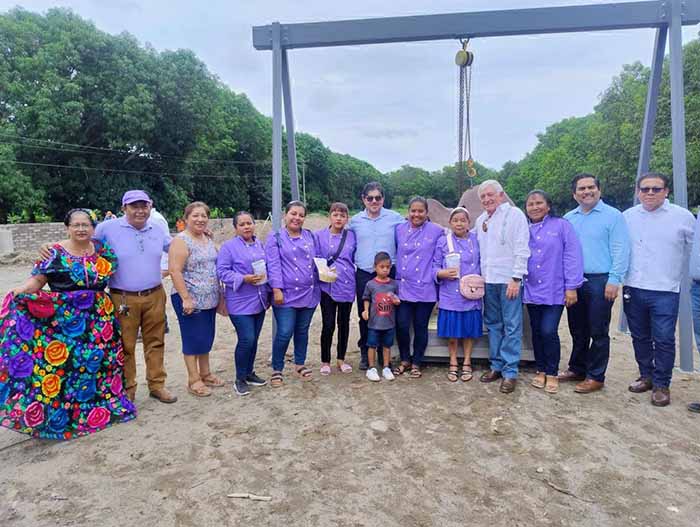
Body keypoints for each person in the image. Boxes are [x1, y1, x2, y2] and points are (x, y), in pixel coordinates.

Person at [0, 209, 136, 439]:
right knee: (69, 365)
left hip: (101, 319)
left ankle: (99, 410)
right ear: (67, 228)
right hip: (65, 321)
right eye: (76, 225)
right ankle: (67, 416)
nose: (81, 229)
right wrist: (20, 291)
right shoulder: (53, 252)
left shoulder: (103, 249)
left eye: (86, 225)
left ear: (93, 228)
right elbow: (37, 281)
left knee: (100, 363)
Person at [94, 190, 177, 403]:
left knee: (156, 341)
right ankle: (128, 388)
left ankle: (157, 385)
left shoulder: (157, 228)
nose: (140, 211)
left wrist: (200, 235)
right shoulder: (106, 229)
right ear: (124, 208)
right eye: (134, 206)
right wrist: (53, 247)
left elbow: (176, 247)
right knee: (126, 344)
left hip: (155, 294)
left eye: (144, 206)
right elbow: (84, 245)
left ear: (150, 206)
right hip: (123, 298)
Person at [622, 173, 694, 407]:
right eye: (645, 189)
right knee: (639, 336)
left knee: (663, 338)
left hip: (666, 289)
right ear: (638, 192)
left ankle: (662, 384)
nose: (650, 193)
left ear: (666, 191)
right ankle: (646, 376)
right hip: (633, 286)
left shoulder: (682, 217)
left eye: (656, 189)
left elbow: (694, 250)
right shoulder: (628, 216)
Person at [560, 174, 630, 394]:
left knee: (598, 330)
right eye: (581, 189)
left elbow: (620, 249)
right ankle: (577, 368)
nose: (586, 192)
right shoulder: (569, 218)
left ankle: (596, 376)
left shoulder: (613, 216)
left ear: (599, 190)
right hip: (574, 280)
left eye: (591, 187)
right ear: (574, 194)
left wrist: (614, 279)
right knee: (577, 328)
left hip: (601, 280)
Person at [523, 190, 584, 395]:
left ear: (548, 206)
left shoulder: (562, 226)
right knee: (536, 331)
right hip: (531, 289)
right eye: (531, 204)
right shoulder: (524, 229)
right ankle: (540, 369)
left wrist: (572, 286)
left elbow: (572, 256)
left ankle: (552, 372)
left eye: (539, 203)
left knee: (549, 330)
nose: (535, 207)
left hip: (554, 289)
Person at [475, 180, 530, 394]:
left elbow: (522, 247)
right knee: (493, 324)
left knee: (512, 325)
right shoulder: (481, 220)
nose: (487, 199)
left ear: (501, 195)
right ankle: (496, 365)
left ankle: (510, 371)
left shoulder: (514, 215)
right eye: (483, 197)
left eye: (491, 195)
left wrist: (516, 278)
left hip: (509, 280)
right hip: (488, 280)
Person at [169, 201, 223, 398]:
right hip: (189, 299)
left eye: (204, 216)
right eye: (195, 216)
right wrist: (186, 298)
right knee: (193, 339)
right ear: (186, 218)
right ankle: (193, 379)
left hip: (209, 299)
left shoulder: (207, 239)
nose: (200, 219)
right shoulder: (181, 241)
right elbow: (174, 271)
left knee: (206, 337)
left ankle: (205, 373)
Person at [349, 182, 404, 370]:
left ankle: (384, 354)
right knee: (365, 313)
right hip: (365, 274)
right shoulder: (355, 221)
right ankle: (366, 352)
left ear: (383, 199)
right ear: (363, 199)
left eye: (378, 198)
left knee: (387, 313)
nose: (374, 201)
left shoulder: (395, 218)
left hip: (388, 273)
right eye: (370, 198)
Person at [265, 201, 320, 387]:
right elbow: (273, 265)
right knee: (284, 331)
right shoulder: (276, 237)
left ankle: (299, 364)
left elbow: (317, 260)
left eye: (301, 215)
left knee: (302, 330)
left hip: (309, 293)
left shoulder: (310, 236)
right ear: (285, 215)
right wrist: (276, 289)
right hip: (285, 295)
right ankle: (277, 368)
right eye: (293, 214)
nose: (297, 218)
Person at [217, 211, 271, 397]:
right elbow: (222, 272)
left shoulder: (260, 245)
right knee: (246, 338)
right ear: (235, 228)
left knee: (254, 339)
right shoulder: (228, 247)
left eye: (249, 223)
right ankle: (239, 378)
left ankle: (249, 372)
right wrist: (243, 278)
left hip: (259, 300)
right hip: (239, 302)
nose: (247, 227)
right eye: (242, 224)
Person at [394, 196, 444, 378]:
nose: (416, 214)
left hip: (425, 287)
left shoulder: (437, 230)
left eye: (420, 211)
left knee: (420, 326)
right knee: (402, 325)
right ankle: (404, 359)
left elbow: (451, 240)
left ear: (427, 212)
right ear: (408, 212)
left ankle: (416, 362)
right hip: (403, 286)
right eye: (413, 211)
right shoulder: (399, 229)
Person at [433, 207, 483, 382]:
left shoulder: (476, 240)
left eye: (463, 220)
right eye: (455, 220)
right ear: (450, 223)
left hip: (472, 292)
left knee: (469, 331)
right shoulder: (443, 242)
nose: (459, 223)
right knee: (452, 332)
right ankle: (453, 361)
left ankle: (467, 361)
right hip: (450, 293)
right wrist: (441, 273)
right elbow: (434, 266)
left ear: (469, 223)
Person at [315, 202, 356, 375]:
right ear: (329, 216)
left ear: (347, 218)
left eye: (342, 215)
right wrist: (323, 269)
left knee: (344, 324)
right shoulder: (319, 236)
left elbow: (356, 257)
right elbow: (315, 258)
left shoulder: (352, 236)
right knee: (328, 324)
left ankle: (341, 359)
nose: (339, 218)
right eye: (335, 214)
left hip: (347, 284)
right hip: (327, 285)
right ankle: (325, 360)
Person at [362, 252, 400, 382]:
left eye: (388, 267)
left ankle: (386, 367)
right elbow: (366, 298)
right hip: (374, 323)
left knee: (387, 346)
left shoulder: (394, 284)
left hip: (389, 323)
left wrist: (396, 301)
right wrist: (365, 310)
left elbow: (397, 299)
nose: (385, 270)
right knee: (372, 345)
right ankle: (371, 368)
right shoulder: (370, 284)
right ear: (375, 267)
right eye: (382, 267)